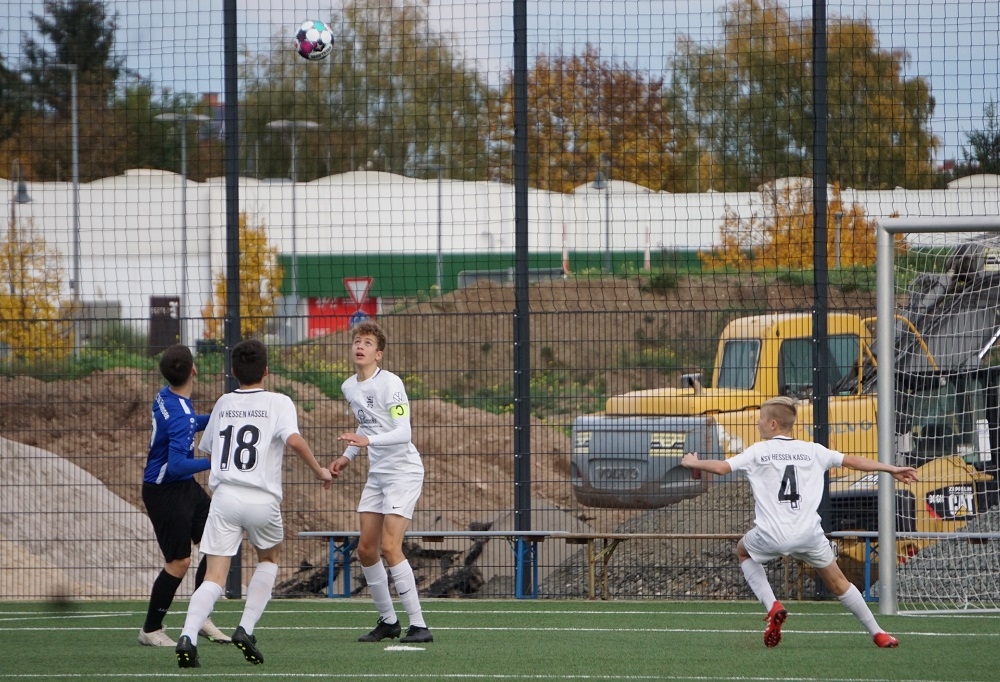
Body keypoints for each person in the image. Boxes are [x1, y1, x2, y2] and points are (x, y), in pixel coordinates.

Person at [681, 396, 917, 649]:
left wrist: (694, 462)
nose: (758, 422)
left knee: (743, 552)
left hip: (772, 534)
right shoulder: (813, 450)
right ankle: (878, 633)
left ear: (773, 424)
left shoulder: (758, 451)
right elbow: (853, 461)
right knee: (839, 583)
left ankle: (773, 605)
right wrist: (891, 469)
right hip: (808, 534)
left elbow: (721, 468)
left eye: (760, 418)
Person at [174, 339, 333, 668]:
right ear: (266, 370)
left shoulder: (223, 402)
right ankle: (245, 628)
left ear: (233, 371)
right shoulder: (279, 402)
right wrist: (320, 470)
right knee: (269, 559)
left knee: (214, 576)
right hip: (262, 497)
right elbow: (294, 441)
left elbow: (209, 449)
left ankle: (188, 635)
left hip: (225, 496)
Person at [329, 320, 433, 644]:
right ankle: (389, 621)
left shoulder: (390, 383)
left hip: (403, 471)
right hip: (378, 474)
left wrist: (367, 443)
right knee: (365, 550)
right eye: (357, 341)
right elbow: (366, 426)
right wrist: (347, 456)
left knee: (390, 547)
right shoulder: (349, 387)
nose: (360, 346)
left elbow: (404, 432)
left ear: (379, 354)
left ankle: (419, 626)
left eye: (368, 343)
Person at [139, 344, 230, 647]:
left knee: (217, 542)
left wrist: (219, 416)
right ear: (194, 370)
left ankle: (200, 615)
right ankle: (150, 629)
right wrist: (214, 461)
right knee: (179, 562)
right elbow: (177, 464)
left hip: (183, 487)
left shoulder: (167, 397)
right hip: (164, 491)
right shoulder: (179, 414)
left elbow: (190, 421)